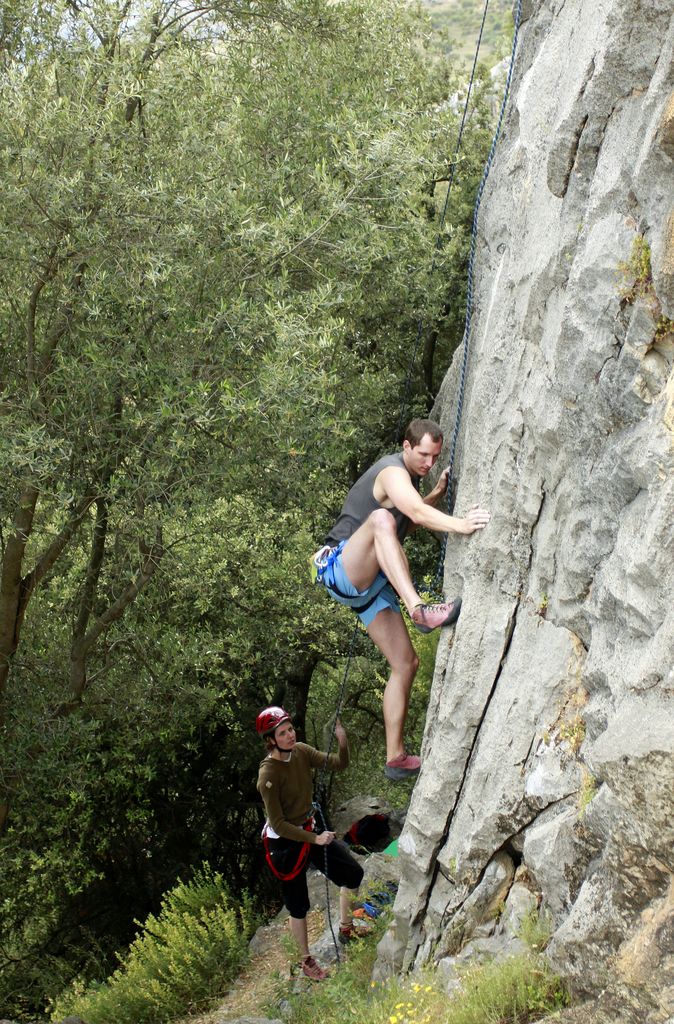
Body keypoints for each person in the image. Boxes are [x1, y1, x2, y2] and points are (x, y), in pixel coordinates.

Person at [313, 418, 490, 781]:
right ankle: (419, 610)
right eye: (423, 454)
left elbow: (405, 524)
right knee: (380, 519)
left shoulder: (410, 480)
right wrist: (461, 524)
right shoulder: (391, 471)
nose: (428, 463)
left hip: (369, 586)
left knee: (406, 663)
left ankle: (394, 756)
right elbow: (409, 515)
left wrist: (434, 495)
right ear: (406, 447)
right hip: (340, 567)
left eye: (435, 456)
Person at [256, 705, 364, 982]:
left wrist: (342, 739)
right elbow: (278, 824)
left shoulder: (301, 752)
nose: (290, 735)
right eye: (283, 733)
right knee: (298, 905)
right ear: (271, 740)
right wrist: (315, 838)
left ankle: (346, 928)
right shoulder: (268, 775)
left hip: (308, 829)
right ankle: (305, 961)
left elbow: (339, 764)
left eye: (290, 729)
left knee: (353, 873)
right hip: (283, 844)